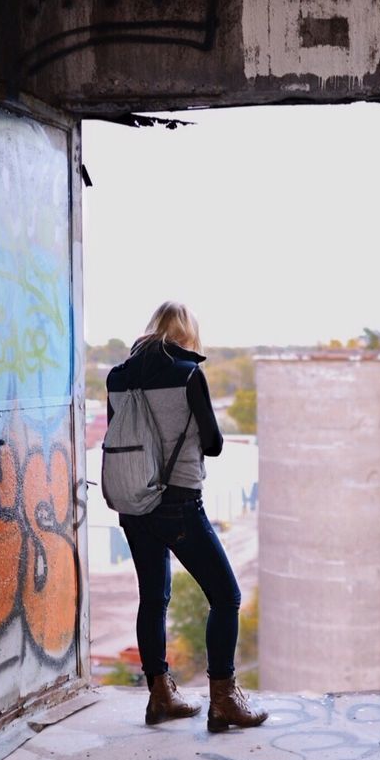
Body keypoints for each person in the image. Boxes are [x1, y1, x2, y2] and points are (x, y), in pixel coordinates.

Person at [107, 301, 267, 733]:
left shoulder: (117, 376)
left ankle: (160, 696)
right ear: (187, 335)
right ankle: (224, 700)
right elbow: (213, 442)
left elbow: (118, 440)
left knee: (153, 599)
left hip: (133, 504)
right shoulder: (188, 373)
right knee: (225, 596)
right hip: (177, 502)